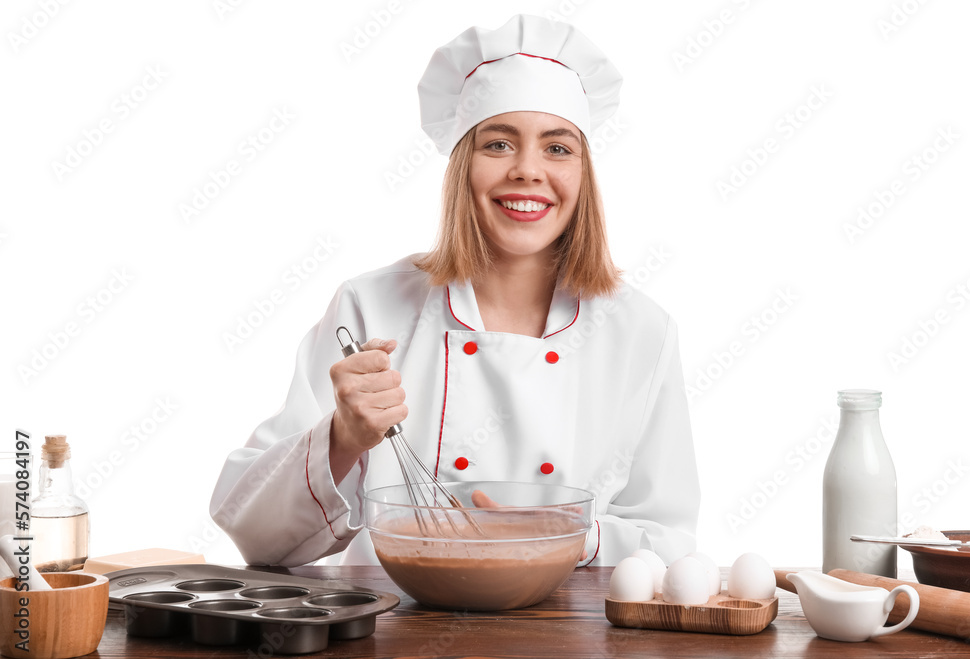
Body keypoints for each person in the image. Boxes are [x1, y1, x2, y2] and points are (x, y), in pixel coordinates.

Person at [210, 14, 699, 568]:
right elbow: (251, 530)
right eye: (498, 144)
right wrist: (342, 438)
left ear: (584, 173)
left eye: (558, 148)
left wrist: (566, 536)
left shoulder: (641, 332)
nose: (528, 171)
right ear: (463, 168)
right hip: (391, 639)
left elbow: (669, 541)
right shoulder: (371, 308)